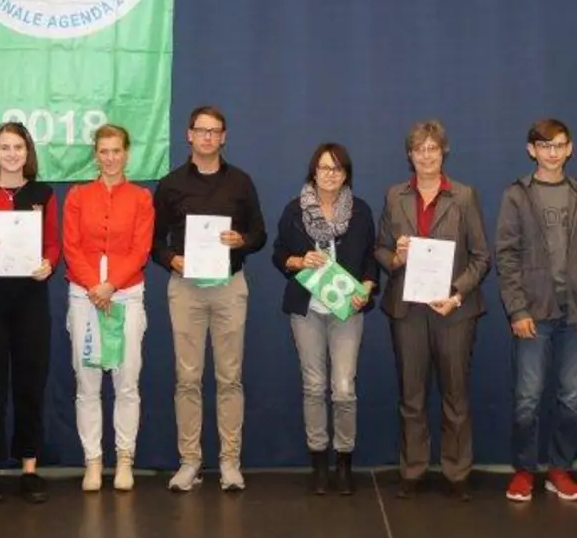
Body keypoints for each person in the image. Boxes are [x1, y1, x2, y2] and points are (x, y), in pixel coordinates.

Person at [151, 106, 268, 492]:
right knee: (187, 378)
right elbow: (154, 242)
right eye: (200, 130)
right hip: (184, 289)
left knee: (230, 377)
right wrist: (172, 258)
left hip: (228, 286)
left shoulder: (240, 182)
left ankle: (230, 461)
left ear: (223, 137)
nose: (207, 137)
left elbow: (259, 234)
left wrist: (242, 240)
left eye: (214, 131)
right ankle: (190, 461)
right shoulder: (169, 185)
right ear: (188, 135)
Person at [376, 120, 492, 501]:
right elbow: (379, 249)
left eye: (432, 148)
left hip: (453, 311)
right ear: (409, 155)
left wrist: (457, 293)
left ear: (444, 152)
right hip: (408, 309)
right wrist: (396, 256)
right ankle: (413, 470)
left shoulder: (464, 196)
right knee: (411, 396)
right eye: (419, 149)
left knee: (455, 395)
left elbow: (481, 256)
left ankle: (457, 473)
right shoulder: (395, 196)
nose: (426, 155)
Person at [495, 118, 577, 503]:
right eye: (544, 146)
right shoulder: (517, 195)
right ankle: (524, 471)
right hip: (533, 312)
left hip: (576, 313)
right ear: (532, 150)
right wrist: (516, 309)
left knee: (571, 397)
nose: (552, 153)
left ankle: (560, 469)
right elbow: (505, 256)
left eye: (559, 145)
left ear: (570, 148)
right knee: (527, 397)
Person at [271, 143, 378, 495]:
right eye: (323, 168)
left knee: (344, 389)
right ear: (312, 172)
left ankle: (344, 460)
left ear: (345, 174)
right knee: (314, 388)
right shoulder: (294, 211)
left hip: (347, 310)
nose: (329, 174)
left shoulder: (360, 212)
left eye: (336, 169)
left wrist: (366, 285)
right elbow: (278, 255)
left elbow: (370, 260)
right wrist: (299, 261)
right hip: (308, 311)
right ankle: (318, 460)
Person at [0, 122, 59, 505]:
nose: (12, 153)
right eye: (5, 147)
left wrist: (49, 264)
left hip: (31, 299)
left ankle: (29, 468)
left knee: (30, 384)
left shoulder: (43, 194)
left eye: (19, 147)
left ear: (28, 152)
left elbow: (53, 243)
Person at [63, 124, 155, 493]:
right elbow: (71, 246)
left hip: (126, 295)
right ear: (95, 154)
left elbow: (140, 248)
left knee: (126, 382)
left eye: (117, 151)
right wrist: (93, 286)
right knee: (87, 384)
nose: (111, 158)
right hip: (84, 296)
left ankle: (124, 459)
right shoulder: (77, 196)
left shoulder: (141, 198)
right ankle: (93, 461)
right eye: (104, 151)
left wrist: (112, 285)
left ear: (127, 153)